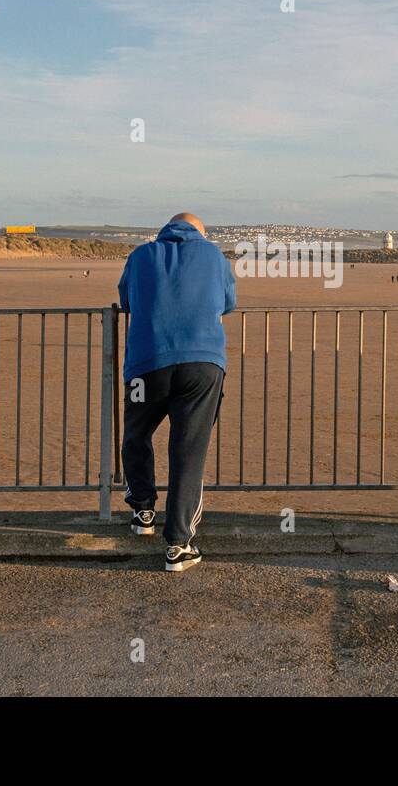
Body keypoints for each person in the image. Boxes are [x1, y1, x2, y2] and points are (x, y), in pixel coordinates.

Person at [117, 212, 236, 572]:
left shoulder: (140, 255)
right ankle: (178, 544)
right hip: (202, 364)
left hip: (146, 363)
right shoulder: (215, 256)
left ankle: (143, 510)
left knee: (136, 434)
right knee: (188, 448)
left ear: (165, 230)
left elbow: (126, 300)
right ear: (200, 232)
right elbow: (228, 302)